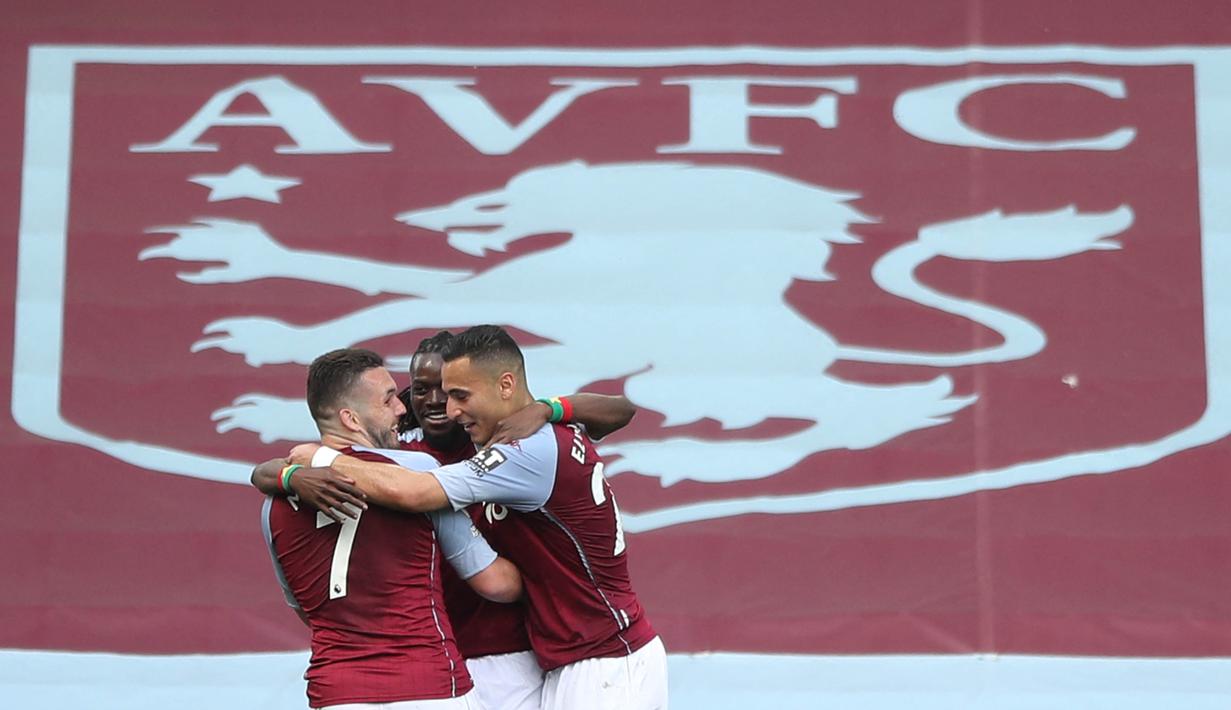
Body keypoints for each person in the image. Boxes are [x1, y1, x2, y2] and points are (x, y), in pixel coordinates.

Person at [289, 326, 668, 710]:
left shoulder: (519, 449)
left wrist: (317, 458)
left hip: (601, 658)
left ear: (504, 385)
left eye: (459, 395)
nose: (449, 408)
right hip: (575, 653)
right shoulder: (519, 436)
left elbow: (415, 491)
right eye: (424, 391)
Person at [261, 348, 522, 709]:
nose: (403, 409)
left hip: (335, 693)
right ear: (351, 419)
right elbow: (493, 582)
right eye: (388, 400)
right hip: (428, 686)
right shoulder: (417, 469)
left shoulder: (274, 503)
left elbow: (306, 609)